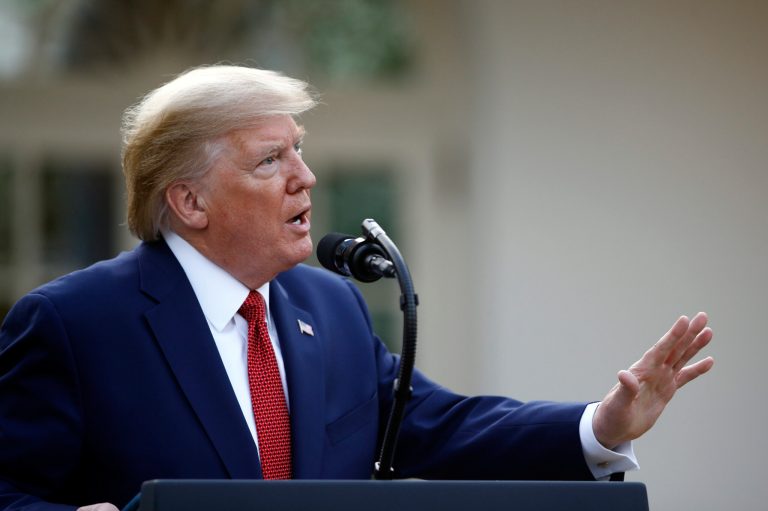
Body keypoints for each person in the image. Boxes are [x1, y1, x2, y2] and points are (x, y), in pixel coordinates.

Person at [0, 65, 714, 511]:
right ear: (190, 202)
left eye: (300, 151)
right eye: (271, 158)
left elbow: (436, 427)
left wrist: (601, 426)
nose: (304, 177)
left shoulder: (329, 306)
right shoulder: (73, 324)